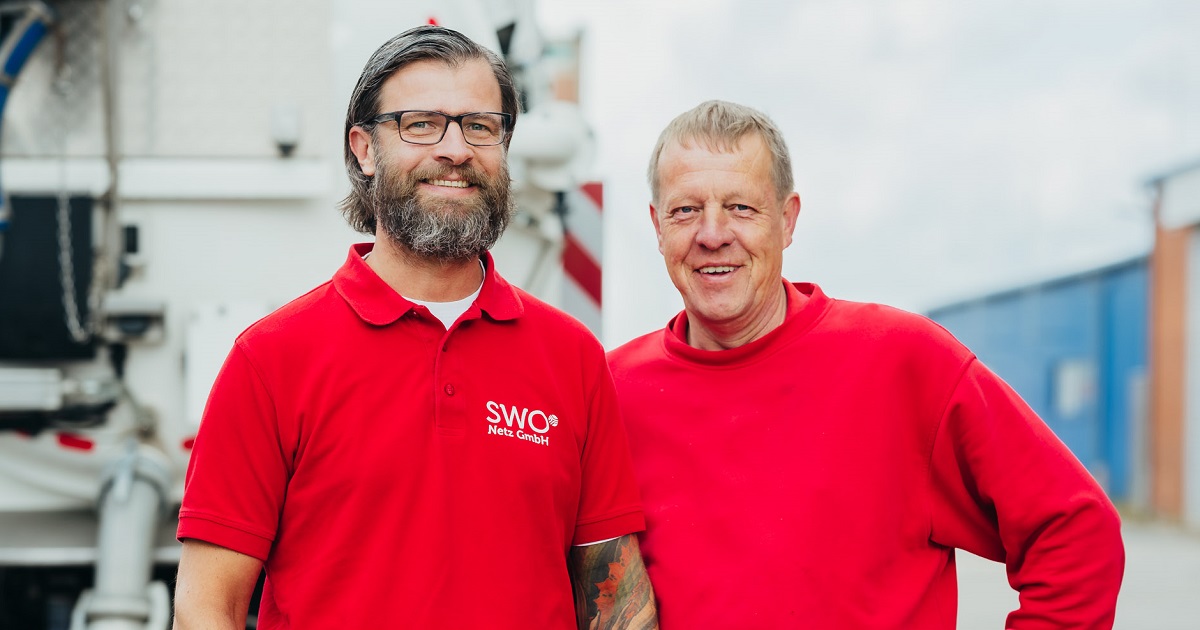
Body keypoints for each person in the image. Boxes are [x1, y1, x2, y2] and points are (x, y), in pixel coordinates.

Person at [173, 26, 657, 630]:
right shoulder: (271, 359)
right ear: (364, 149)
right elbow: (206, 607)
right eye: (420, 124)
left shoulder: (572, 357)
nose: (455, 149)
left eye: (480, 126)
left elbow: (616, 605)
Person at [606, 100, 1124, 628]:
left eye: (741, 208)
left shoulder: (904, 362)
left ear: (787, 220)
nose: (712, 234)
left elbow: (1076, 530)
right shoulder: (610, 392)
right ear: (657, 225)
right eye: (685, 210)